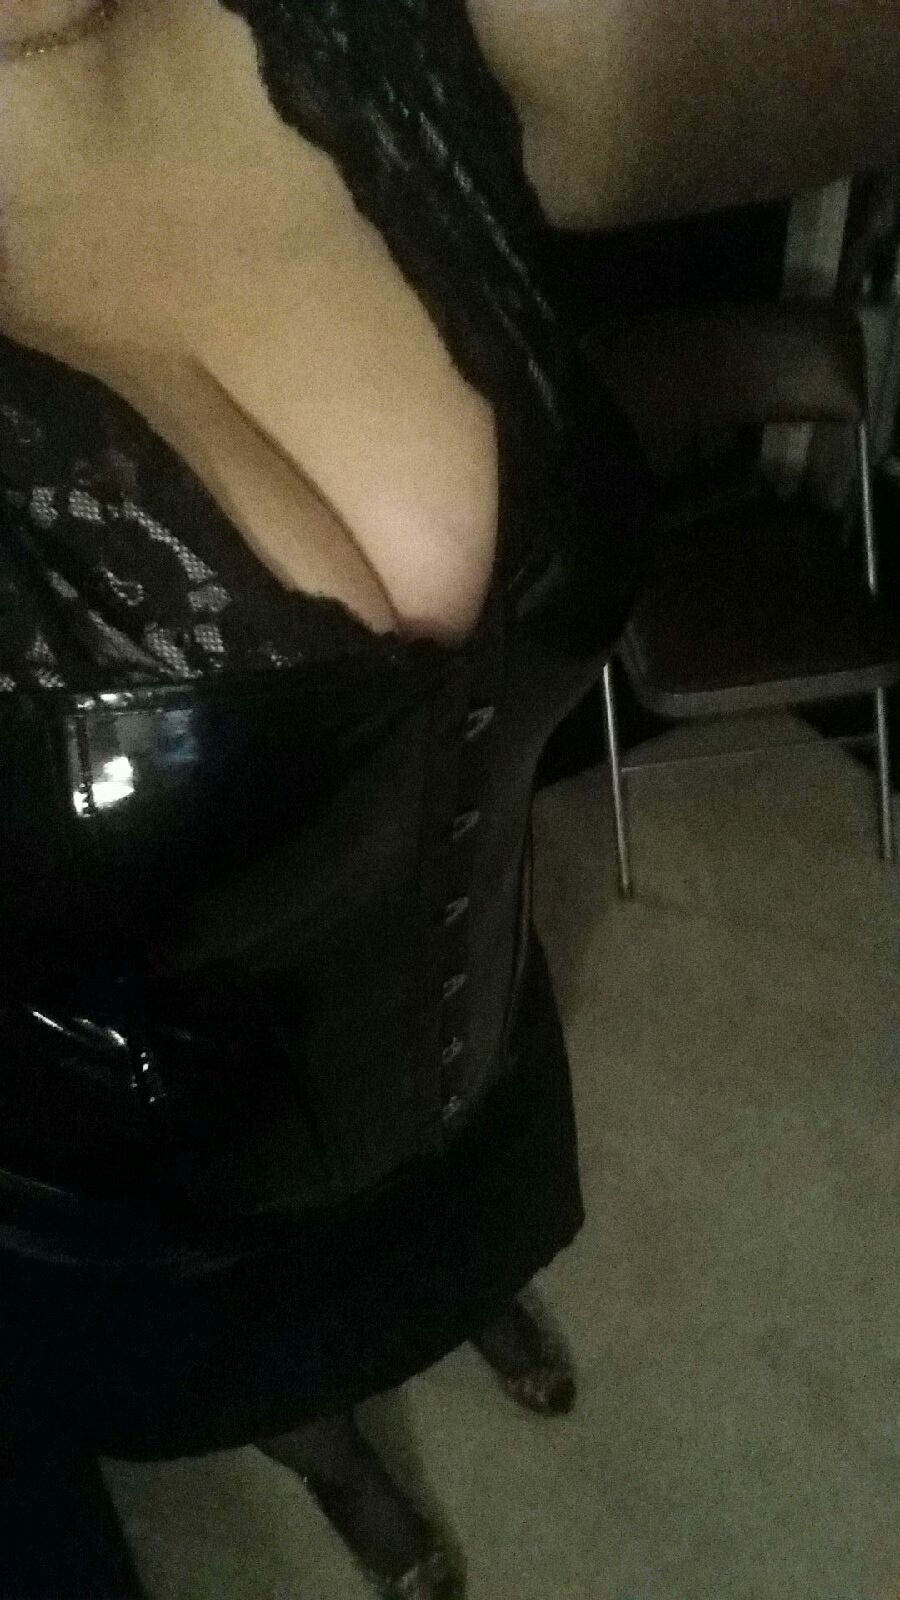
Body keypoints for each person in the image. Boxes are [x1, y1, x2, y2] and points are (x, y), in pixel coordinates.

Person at [0, 3, 898, 1596]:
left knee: (476, 1251)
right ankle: (347, 1470)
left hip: (481, 1032)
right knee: (295, 1385)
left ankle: (476, 1304)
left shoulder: (381, 28)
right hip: (167, 1205)